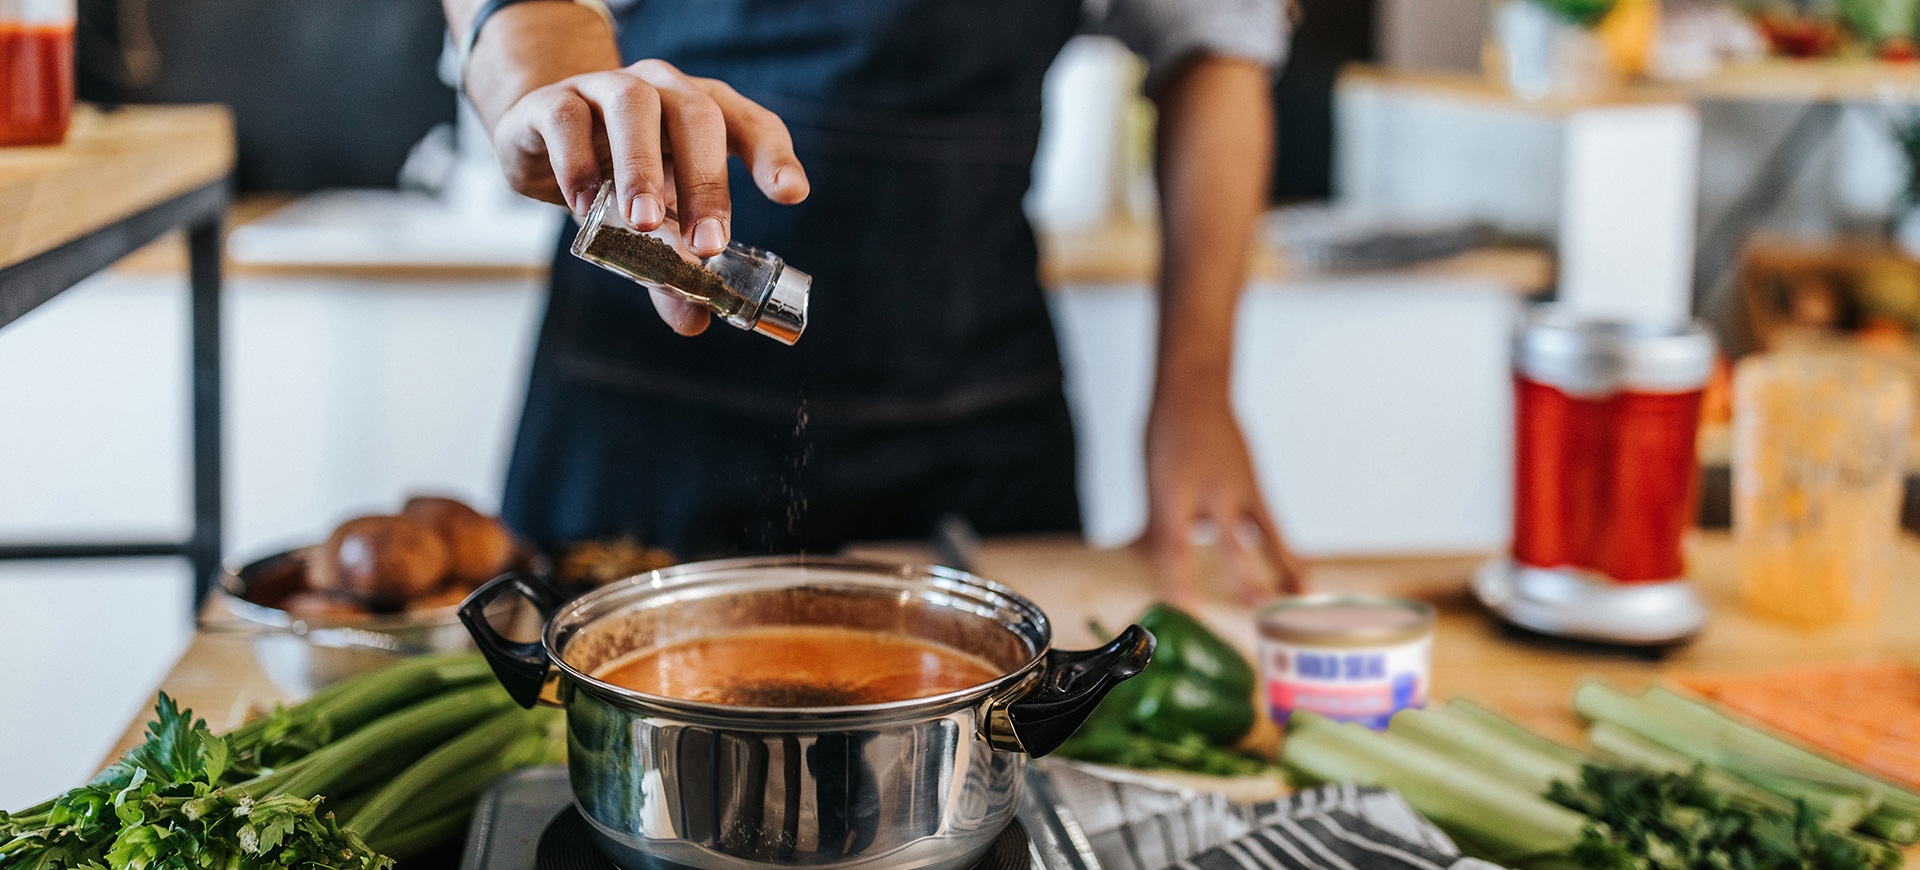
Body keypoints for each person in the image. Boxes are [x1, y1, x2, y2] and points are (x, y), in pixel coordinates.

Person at [446, 0, 1307, 600]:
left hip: (974, 422)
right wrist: (547, 88)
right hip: (640, 415)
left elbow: (1217, 47)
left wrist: (1196, 392)